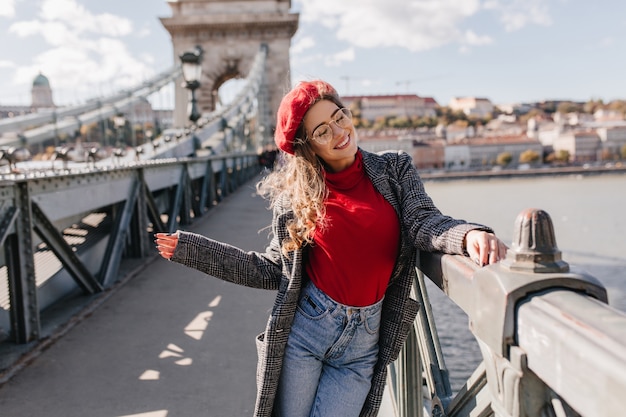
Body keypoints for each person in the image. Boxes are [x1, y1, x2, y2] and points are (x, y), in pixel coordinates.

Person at [155, 80, 507, 417]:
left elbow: (423, 221)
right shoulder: (296, 198)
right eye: (323, 130)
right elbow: (273, 269)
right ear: (308, 145)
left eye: (340, 117)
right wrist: (192, 250)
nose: (340, 132)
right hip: (308, 331)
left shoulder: (394, 169)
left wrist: (466, 235)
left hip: (364, 343)